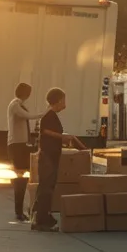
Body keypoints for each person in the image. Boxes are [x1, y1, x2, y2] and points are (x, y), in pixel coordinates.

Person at [31, 87, 87, 232]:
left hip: (51, 156)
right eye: (64, 100)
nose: (65, 103)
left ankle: (42, 217)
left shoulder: (51, 115)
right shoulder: (48, 116)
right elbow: (46, 132)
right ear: (59, 100)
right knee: (46, 188)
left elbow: (50, 133)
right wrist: (64, 137)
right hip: (48, 157)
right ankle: (41, 220)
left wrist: (64, 139)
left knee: (47, 187)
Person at [5, 82, 43, 222]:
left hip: (21, 144)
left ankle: (21, 209)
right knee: (21, 174)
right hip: (16, 145)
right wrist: (43, 114)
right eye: (29, 92)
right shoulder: (15, 105)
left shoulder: (18, 104)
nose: (29, 95)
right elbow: (27, 116)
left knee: (24, 173)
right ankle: (19, 210)